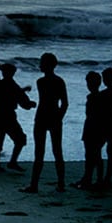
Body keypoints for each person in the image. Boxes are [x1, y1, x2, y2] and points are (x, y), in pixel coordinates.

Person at [22, 53, 69, 193]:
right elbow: (64, 103)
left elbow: (63, 103)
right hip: (52, 116)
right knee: (57, 151)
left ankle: (34, 185)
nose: (40, 65)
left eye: (42, 62)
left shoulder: (41, 82)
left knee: (40, 152)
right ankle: (61, 184)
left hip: (42, 117)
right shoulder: (58, 81)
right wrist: (59, 117)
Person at [0, 63, 36, 173]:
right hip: (7, 115)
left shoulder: (1, 84)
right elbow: (21, 101)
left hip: (0, 114)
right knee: (19, 139)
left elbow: (17, 97)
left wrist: (25, 97)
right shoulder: (11, 85)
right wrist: (29, 102)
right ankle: (11, 162)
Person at [73, 71, 106, 190]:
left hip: (94, 128)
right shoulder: (96, 97)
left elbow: (95, 114)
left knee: (94, 155)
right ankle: (90, 178)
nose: (88, 85)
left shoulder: (95, 97)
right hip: (93, 128)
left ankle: (94, 179)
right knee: (92, 154)